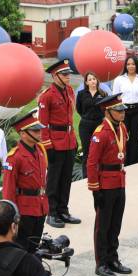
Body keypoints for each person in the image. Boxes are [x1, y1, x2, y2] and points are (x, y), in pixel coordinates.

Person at [87, 93, 134, 276]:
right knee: (103, 226)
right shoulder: (101, 133)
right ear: (108, 112)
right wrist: (95, 189)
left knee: (115, 224)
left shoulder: (121, 128)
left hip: (119, 180)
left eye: (123, 110)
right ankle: (101, 263)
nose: (122, 113)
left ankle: (113, 258)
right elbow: (91, 163)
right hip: (105, 184)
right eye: (118, 110)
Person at [38, 59, 81, 228]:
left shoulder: (69, 90)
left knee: (65, 178)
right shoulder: (47, 95)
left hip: (68, 139)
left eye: (68, 74)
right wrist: (48, 145)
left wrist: (74, 138)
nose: (68, 77)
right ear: (55, 76)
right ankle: (52, 212)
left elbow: (70, 117)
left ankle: (63, 210)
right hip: (55, 141)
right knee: (54, 179)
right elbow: (42, 124)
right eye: (64, 74)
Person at [2, 109, 49, 254]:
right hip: (24, 209)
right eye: (35, 131)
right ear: (23, 134)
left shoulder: (40, 151)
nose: (39, 133)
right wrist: (12, 215)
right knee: (21, 248)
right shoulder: (14, 157)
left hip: (39, 206)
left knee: (34, 246)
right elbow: (8, 189)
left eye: (39, 130)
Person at [113, 56, 138, 166]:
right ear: (125, 66)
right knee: (123, 135)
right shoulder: (119, 80)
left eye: (133, 64)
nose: (131, 66)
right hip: (123, 111)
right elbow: (115, 97)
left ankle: (134, 162)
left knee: (135, 136)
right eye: (128, 64)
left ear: (137, 65)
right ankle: (122, 161)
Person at [76, 71, 107, 179]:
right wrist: (87, 117)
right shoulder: (81, 94)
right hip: (85, 126)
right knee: (87, 151)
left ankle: (100, 173)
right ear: (86, 82)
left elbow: (106, 110)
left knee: (100, 150)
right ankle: (86, 176)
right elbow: (79, 109)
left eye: (94, 79)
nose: (92, 81)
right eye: (90, 79)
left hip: (99, 125)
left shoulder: (103, 94)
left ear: (97, 80)